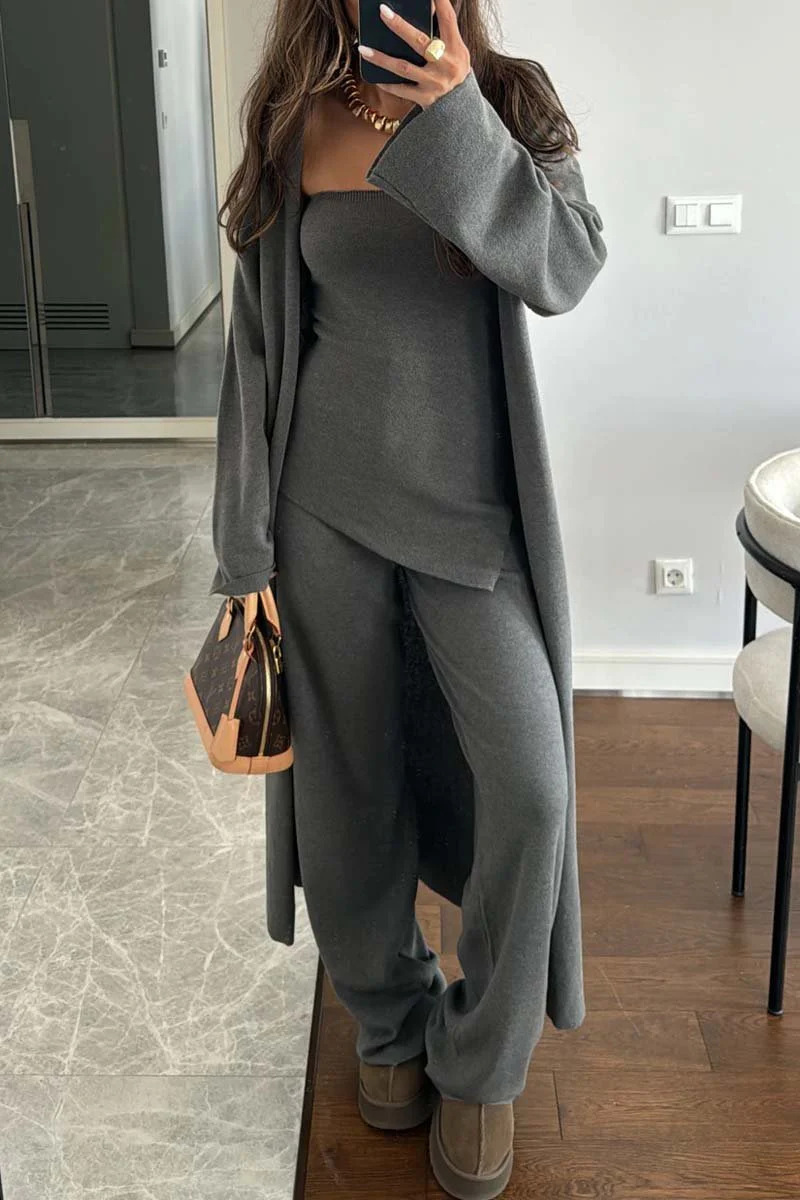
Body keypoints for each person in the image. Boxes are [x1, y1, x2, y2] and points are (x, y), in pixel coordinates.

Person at [210, 2, 607, 1196]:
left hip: (473, 523)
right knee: (346, 794)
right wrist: (243, 547)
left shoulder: (510, 100)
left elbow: (563, 268)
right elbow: (256, 346)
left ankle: (480, 1065)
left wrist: (460, 121)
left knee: (530, 788)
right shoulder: (295, 116)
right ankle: (387, 1024)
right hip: (320, 512)